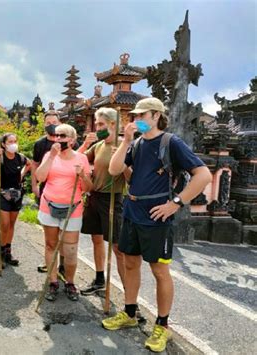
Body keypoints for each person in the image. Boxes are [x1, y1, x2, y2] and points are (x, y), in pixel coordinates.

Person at [102, 98, 212, 353]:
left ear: (155, 115)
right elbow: (114, 169)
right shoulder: (136, 143)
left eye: (141, 115)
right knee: (130, 262)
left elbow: (203, 174)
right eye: (134, 115)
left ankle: (162, 324)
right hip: (132, 210)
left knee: (159, 271)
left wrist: (176, 203)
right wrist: (126, 141)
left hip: (157, 216)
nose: (135, 119)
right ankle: (130, 312)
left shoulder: (170, 142)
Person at [35, 124, 93, 301]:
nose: (59, 139)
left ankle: (70, 282)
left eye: (63, 136)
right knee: (50, 245)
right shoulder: (49, 155)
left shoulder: (81, 158)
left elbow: (89, 188)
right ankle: (53, 282)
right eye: (56, 136)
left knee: (70, 249)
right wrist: (51, 157)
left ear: (73, 140)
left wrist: (83, 176)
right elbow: (40, 177)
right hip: (49, 205)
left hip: (73, 209)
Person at [79, 108, 129, 296]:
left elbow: (131, 177)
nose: (97, 127)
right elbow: (79, 158)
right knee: (96, 239)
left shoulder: (125, 145)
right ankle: (100, 278)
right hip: (95, 197)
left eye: (101, 124)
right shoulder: (98, 146)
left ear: (113, 124)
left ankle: (129, 297)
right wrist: (84, 145)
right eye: (96, 124)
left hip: (113, 199)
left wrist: (123, 162)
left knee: (117, 248)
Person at [0, 133, 31, 268]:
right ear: (3, 144)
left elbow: (30, 164)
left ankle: (8, 253)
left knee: (12, 224)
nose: (13, 144)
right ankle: (0, 255)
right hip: (3, 193)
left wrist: (22, 174)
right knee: (5, 224)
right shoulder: (0, 158)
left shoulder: (20, 158)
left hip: (17, 194)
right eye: (10, 142)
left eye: (15, 141)